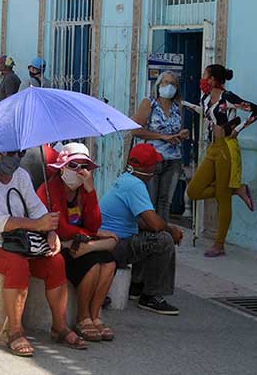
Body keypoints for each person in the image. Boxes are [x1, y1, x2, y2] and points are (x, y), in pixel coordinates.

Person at [0, 150, 88, 356]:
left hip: (19, 241)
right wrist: (37, 224)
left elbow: (36, 207)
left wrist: (50, 231)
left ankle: (59, 327)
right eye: (11, 153)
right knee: (17, 264)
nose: (17, 158)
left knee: (56, 262)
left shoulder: (20, 175)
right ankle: (15, 331)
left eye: (21, 152)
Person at [36, 142, 117, 341]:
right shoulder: (49, 189)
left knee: (108, 262)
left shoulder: (83, 191)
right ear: (62, 167)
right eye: (74, 166)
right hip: (59, 244)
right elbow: (61, 227)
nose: (80, 171)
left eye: (84, 166)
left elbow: (94, 222)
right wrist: (89, 234)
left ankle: (94, 315)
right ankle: (82, 317)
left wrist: (91, 192)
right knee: (92, 266)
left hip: (81, 243)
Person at [187, 64, 257, 258]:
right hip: (214, 147)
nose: (202, 79)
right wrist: (185, 104)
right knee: (194, 190)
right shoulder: (205, 98)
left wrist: (237, 130)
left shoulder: (227, 98)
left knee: (222, 197)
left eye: (205, 75)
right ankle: (237, 189)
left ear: (213, 79)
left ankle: (219, 245)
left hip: (227, 148)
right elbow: (206, 114)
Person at [100, 144, 183, 315]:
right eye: (154, 165)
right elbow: (155, 224)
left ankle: (137, 284)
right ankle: (151, 295)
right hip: (115, 244)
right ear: (148, 168)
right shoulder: (135, 185)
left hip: (113, 240)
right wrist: (171, 229)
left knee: (147, 235)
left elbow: (141, 222)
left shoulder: (125, 179)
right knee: (163, 240)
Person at [131, 70, 190, 221]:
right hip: (152, 158)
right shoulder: (149, 103)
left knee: (165, 202)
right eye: (166, 82)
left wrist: (181, 135)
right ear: (158, 85)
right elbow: (136, 130)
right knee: (150, 200)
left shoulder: (178, 107)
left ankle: (162, 235)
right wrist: (162, 136)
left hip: (173, 159)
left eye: (173, 84)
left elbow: (175, 131)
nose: (169, 86)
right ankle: (148, 234)